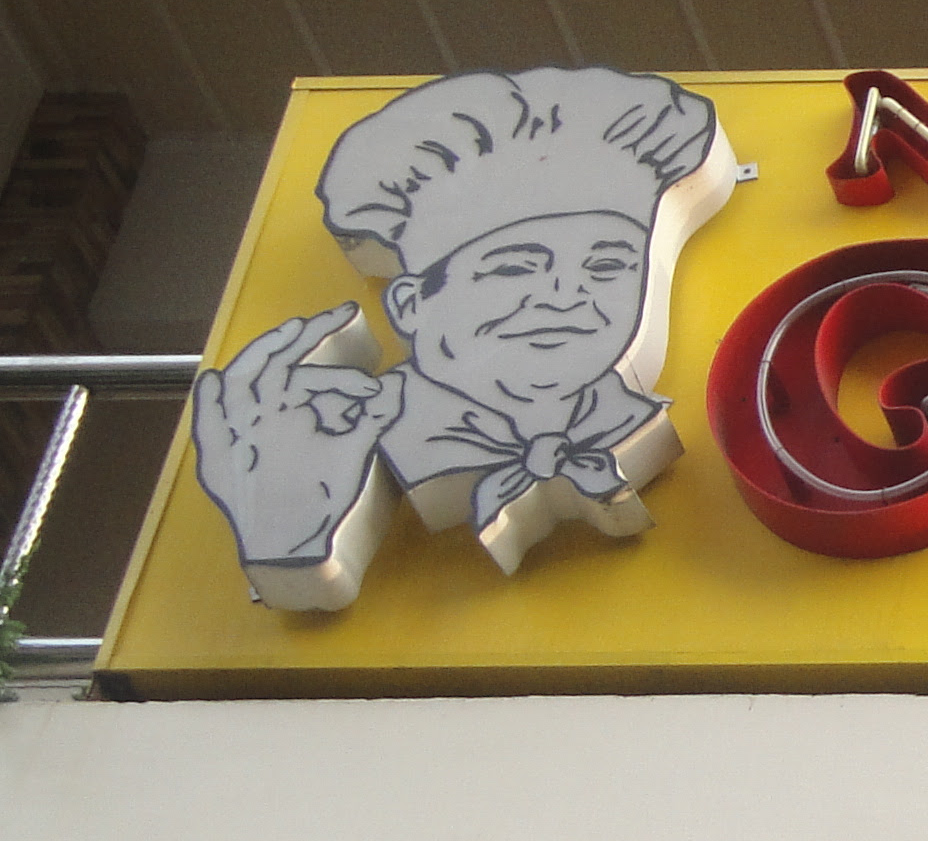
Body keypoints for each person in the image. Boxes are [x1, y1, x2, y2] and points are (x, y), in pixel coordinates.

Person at [191, 67, 737, 609]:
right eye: (515, 267)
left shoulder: (639, 419)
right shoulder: (345, 438)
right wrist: (289, 533)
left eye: (607, 265)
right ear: (410, 305)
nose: (565, 296)